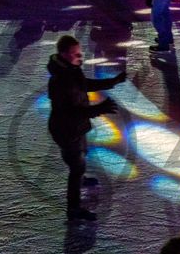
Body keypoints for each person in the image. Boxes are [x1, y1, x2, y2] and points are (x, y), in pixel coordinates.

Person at [47, 35, 125, 221]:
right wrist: (99, 109)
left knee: (82, 152)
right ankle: (73, 209)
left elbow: (85, 84)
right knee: (76, 167)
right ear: (64, 54)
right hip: (66, 130)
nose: (80, 56)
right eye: (76, 54)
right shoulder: (59, 81)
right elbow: (70, 112)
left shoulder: (71, 70)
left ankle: (81, 179)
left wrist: (112, 82)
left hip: (77, 128)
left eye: (79, 52)